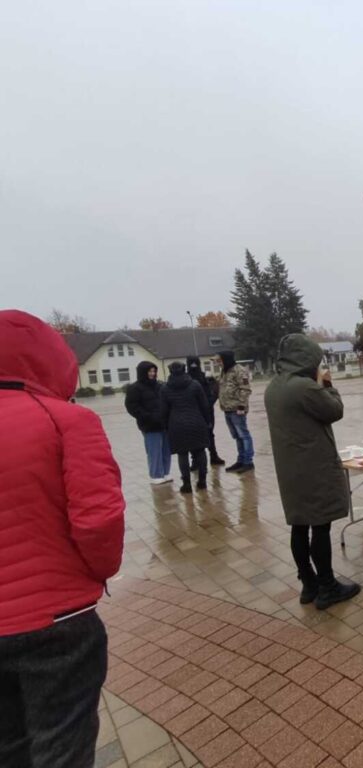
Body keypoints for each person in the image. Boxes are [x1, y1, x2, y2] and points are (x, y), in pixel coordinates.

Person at [0, 309, 126, 768]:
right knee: (62, 745)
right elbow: (99, 521)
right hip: (57, 621)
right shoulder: (66, 420)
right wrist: (97, 572)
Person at [264, 333, 360, 609]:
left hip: (290, 468)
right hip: (313, 467)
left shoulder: (274, 387)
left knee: (299, 525)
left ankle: (309, 583)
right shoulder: (303, 387)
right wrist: (327, 384)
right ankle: (328, 587)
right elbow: (334, 411)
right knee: (320, 525)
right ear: (305, 359)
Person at [161, 361, 211, 494]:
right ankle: (202, 481)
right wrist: (208, 421)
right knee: (200, 451)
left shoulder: (165, 388)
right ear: (184, 370)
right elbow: (204, 405)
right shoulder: (195, 385)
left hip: (176, 425)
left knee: (182, 454)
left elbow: (164, 411)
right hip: (196, 421)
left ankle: (186, 484)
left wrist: (166, 426)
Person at [124, 361, 173, 484]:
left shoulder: (160, 385)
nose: (152, 373)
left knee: (166, 450)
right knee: (154, 451)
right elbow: (132, 407)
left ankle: (165, 472)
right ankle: (156, 475)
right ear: (143, 372)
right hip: (149, 425)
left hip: (164, 424)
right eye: (150, 371)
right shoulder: (134, 388)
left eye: (154, 371)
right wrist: (148, 417)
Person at [216, 350, 254, 473]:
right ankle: (241, 460)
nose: (218, 363)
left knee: (243, 435)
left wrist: (241, 406)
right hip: (227, 409)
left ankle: (248, 462)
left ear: (226, 359)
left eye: (220, 360)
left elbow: (245, 389)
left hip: (237, 410)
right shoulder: (224, 371)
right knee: (237, 436)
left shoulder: (239, 370)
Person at [186, 355, 225, 466]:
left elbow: (215, 389)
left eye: (195, 363)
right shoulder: (186, 378)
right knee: (193, 436)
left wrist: (210, 402)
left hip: (207, 411)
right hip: (192, 412)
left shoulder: (206, 377)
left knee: (209, 434)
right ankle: (195, 460)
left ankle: (213, 456)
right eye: (191, 363)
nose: (194, 366)